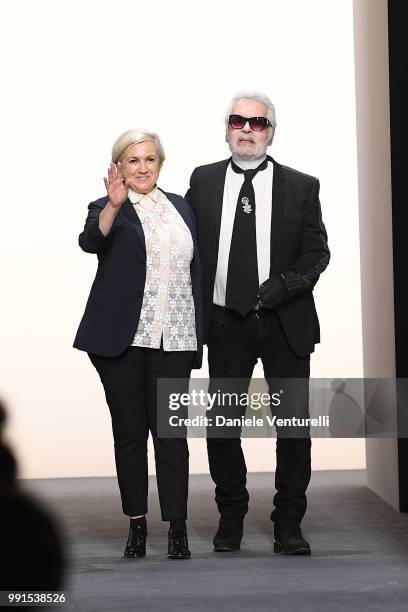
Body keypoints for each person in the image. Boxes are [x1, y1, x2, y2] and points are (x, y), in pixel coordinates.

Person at [185, 91, 330, 555]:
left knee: (292, 426)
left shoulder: (303, 186)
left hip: (284, 321)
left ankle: (289, 522)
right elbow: (186, 245)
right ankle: (231, 517)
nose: (247, 129)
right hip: (226, 322)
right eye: (238, 121)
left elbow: (317, 252)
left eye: (257, 123)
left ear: (271, 131)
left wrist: (286, 284)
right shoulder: (203, 181)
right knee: (222, 425)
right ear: (227, 128)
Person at [74, 129, 203, 560]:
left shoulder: (181, 206)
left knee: (171, 434)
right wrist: (112, 206)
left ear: (160, 164)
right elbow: (91, 240)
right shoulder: (110, 206)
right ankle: (136, 525)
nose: (142, 168)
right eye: (133, 161)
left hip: (175, 338)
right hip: (123, 342)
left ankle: (177, 528)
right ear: (119, 167)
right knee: (130, 434)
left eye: (149, 160)